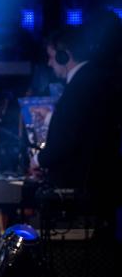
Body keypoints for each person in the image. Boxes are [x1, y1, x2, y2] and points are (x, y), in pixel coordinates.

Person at [35, 28, 122, 217]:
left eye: (51, 57)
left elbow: (68, 139)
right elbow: (82, 124)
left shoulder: (79, 85)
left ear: (64, 56)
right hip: (100, 183)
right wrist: (52, 118)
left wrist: (38, 160)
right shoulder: (92, 78)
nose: (49, 63)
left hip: (84, 186)